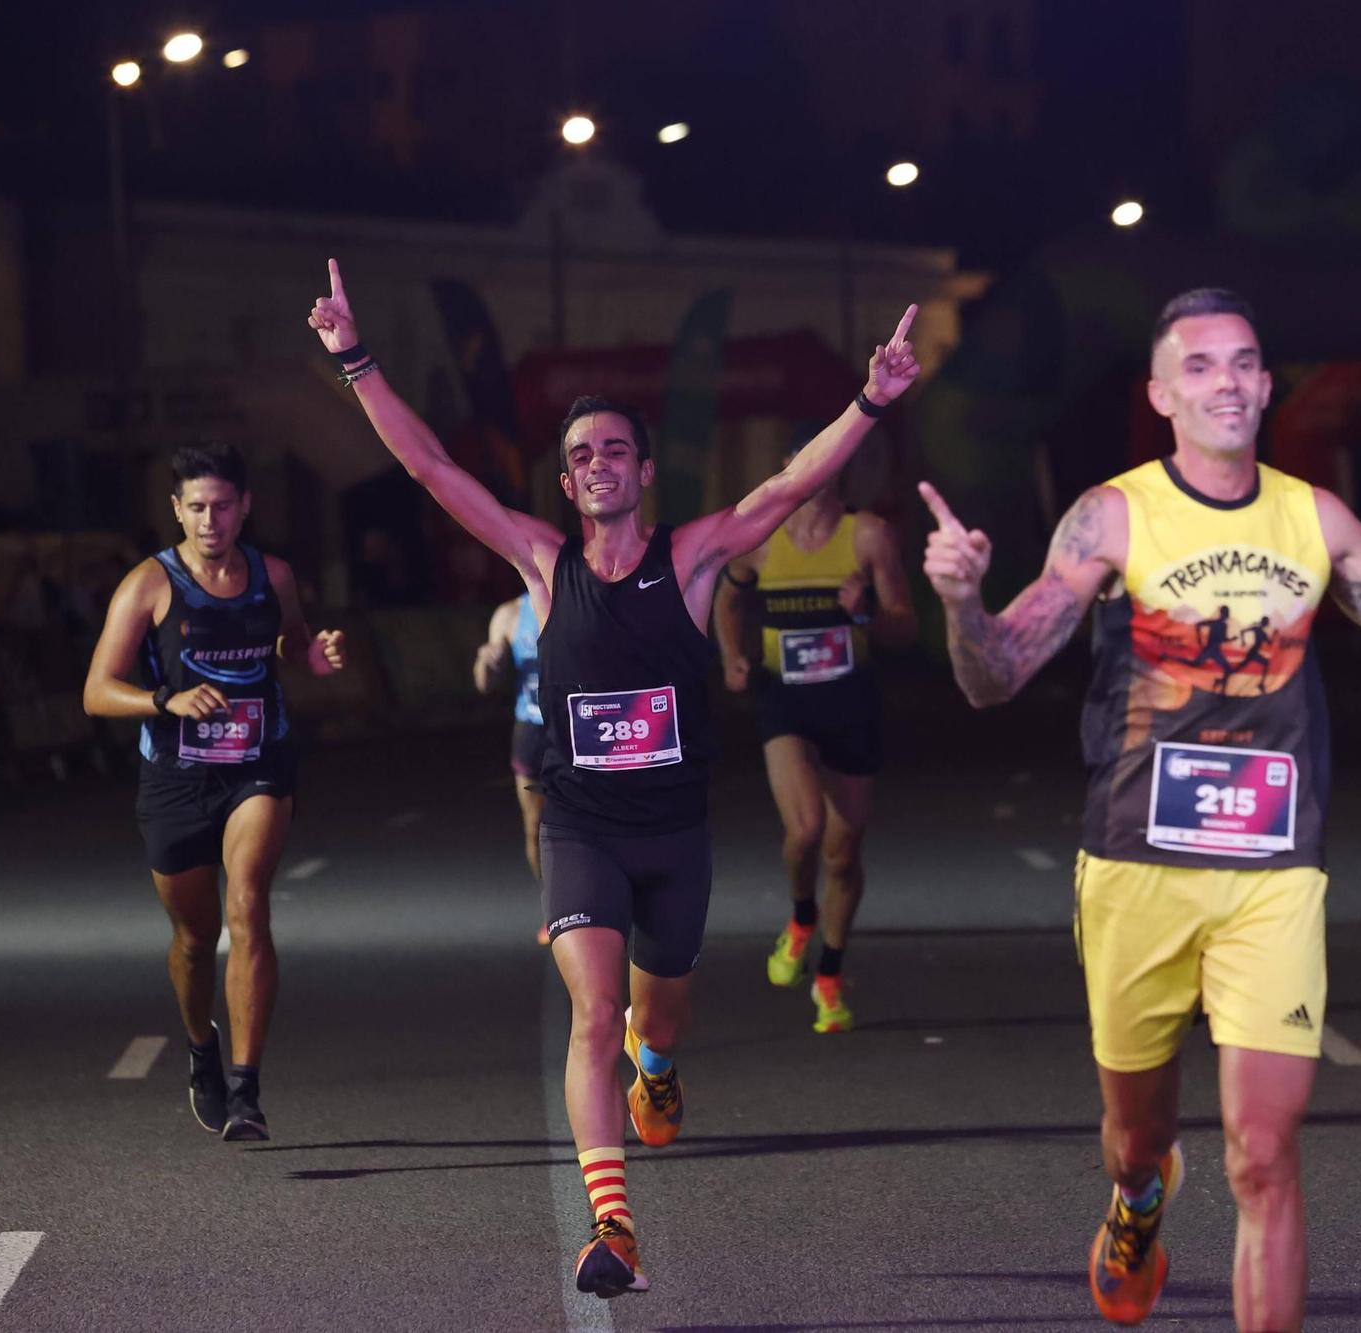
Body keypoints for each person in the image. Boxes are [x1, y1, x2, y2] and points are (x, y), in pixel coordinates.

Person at [919, 288, 1361, 1332]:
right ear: (1160, 394)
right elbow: (995, 674)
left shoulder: (1311, 517)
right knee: (1135, 1137)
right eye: (1198, 366)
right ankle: (1138, 1197)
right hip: (1135, 863)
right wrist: (962, 604)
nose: (1228, 382)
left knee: (1264, 1153)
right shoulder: (1112, 515)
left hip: (1273, 869)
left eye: (1244, 361)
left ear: (1266, 383)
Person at [310, 258, 918, 1300]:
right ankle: (615, 1226)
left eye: (614, 450)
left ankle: (659, 1068)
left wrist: (870, 399)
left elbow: (787, 487)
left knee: (654, 1021)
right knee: (595, 1015)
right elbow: (431, 469)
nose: (596, 463)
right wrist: (355, 358)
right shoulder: (541, 562)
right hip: (581, 826)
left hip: (673, 837)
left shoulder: (694, 558)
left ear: (644, 472)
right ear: (566, 482)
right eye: (579, 454)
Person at [82, 443, 346, 1143]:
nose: (210, 520)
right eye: (196, 507)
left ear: (245, 506)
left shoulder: (272, 574)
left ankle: (246, 1090)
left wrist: (310, 655)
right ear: (176, 510)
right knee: (195, 940)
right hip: (175, 777)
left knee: (248, 905)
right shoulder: (148, 584)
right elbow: (96, 690)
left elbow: (289, 641)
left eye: (222, 506)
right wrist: (163, 700)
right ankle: (202, 1044)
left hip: (258, 763)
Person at [712, 457, 916, 1032]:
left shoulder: (868, 535)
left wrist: (866, 613)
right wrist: (732, 656)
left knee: (843, 853)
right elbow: (727, 600)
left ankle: (829, 975)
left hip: (851, 703)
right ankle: (802, 916)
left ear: (838, 471)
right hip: (784, 701)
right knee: (805, 830)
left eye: (822, 463)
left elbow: (906, 625)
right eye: (801, 466)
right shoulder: (762, 539)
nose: (811, 475)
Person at [474, 591, 552, 944]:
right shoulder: (509, 614)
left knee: (597, 821)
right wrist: (487, 662)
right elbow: (483, 684)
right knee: (535, 827)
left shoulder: (580, 599)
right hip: (532, 731)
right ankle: (555, 911)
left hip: (582, 729)